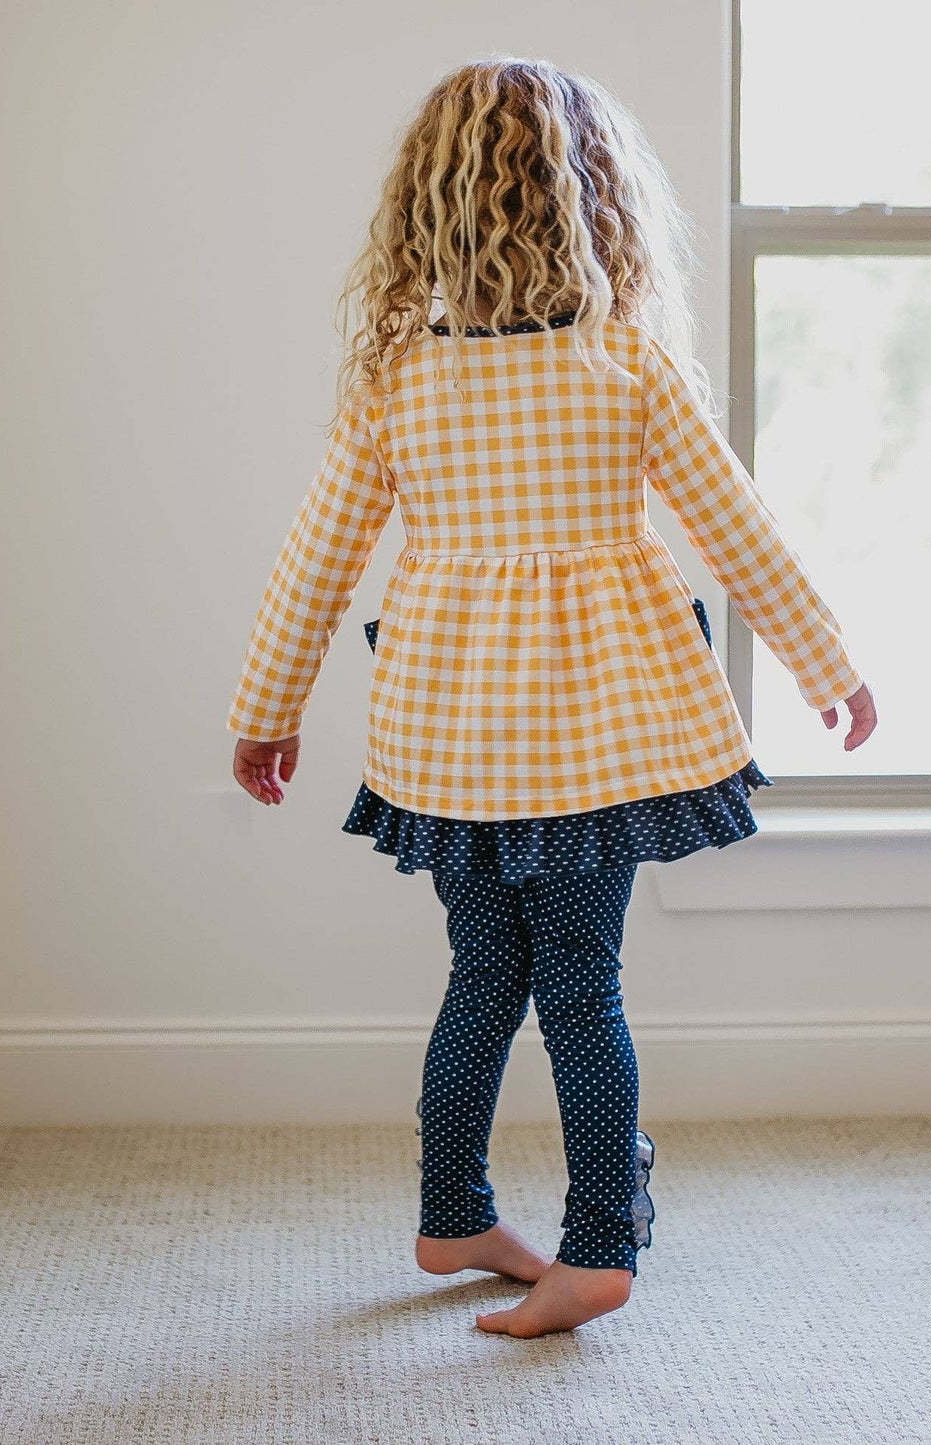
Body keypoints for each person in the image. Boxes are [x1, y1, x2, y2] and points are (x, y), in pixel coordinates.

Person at [226, 57, 877, 1339]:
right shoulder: (627, 363)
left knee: (481, 971)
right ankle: (593, 1248)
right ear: (594, 200)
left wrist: (266, 709)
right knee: (581, 978)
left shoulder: (399, 379)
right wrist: (826, 664)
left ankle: (451, 1209)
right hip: (596, 737)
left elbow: (314, 558)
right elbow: (739, 532)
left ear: (428, 210)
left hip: (449, 740)